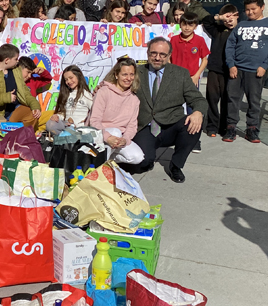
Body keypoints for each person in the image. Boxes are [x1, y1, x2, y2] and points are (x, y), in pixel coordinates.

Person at [128, 37, 207, 183]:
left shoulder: (180, 74)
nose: (157, 58)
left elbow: (198, 99)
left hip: (171, 124)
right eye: (154, 53)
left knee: (194, 123)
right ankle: (148, 157)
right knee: (142, 164)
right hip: (145, 125)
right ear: (147, 53)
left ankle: (176, 165)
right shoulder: (136, 72)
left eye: (162, 54)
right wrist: (102, 87)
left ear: (169, 55)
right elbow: (116, 86)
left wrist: (197, 112)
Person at [224, 0, 268, 143]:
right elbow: (230, 46)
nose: (250, 12)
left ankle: (252, 129)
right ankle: (230, 128)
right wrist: (231, 65)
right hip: (237, 69)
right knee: (233, 100)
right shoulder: (241, 25)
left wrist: (265, 65)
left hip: (256, 71)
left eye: (253, 9)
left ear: (262, 7)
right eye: (247, 10)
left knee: (254, 101)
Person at [86, 58, 145, 164]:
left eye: (131, 74)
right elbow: (94, 121)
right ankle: (98, 168)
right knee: (115, 132)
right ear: (116, 75)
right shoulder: (104, 92)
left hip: (118, 139)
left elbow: (132, 126)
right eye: (124, 74)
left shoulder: (134, 99)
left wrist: (125, 139)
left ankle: (106, 159)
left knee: (138, 157)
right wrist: (107, 137)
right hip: (98, 134)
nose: (128, 78)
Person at [0, 44, 42, 128]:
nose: (18, 61)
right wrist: (6, 97)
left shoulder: (15, 71)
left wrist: (35, 106)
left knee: (32, 114)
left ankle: (18, 134)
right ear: (7, 60)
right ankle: (9, 131)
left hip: (15, 110)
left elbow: (25, 92)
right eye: (16, 59)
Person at [202, 4, 240, 137]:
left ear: (237, 16)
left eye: (232, 17)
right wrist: (219, 17)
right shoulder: (218, 29)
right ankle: (212, 126)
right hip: (214, 69)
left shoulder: (240, 31)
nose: (229, 21)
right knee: (212, 99)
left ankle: (224, 127)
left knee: (226, 99)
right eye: (226, 18)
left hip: (229, 70)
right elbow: (206, 21)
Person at [46, 65, 94, 133]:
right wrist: (57, 116)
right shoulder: (66, 94)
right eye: (66, 80)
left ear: (78, 76)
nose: (69, 81)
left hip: (80, 127)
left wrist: (86, 120)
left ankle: (71, 137)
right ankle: (67, 137)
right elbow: (63, 113)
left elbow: (94, 112)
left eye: (71, 78)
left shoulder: (86, 95)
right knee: (50, 124)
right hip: (66, 125)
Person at [169, 12, 209, 87]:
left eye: (191, 25)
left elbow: (205, 60)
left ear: (195, 27)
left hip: (192, 78)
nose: (187, 28)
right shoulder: (174, 39)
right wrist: (171, 73)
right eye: (184, 24)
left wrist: (197, 76)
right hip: (176, 77)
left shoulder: (199, 40)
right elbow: (168, 58)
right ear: (180, 25)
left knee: (192, 98)